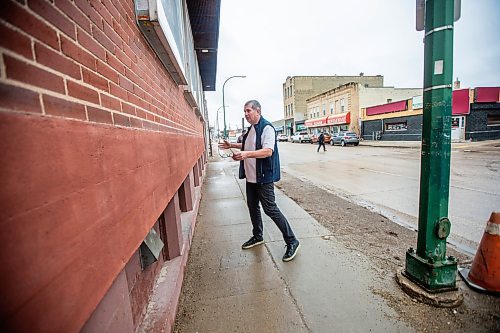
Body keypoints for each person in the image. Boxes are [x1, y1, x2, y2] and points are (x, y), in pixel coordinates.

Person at [218, 100, 300, 262]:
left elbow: (268, 151)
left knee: (270, 209)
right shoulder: (252, 130)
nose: (246, 114)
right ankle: (258, 236)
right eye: (245, 112)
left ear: (258, 111)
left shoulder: (267, 128)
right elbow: (249, 144)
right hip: (251, 178)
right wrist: (232, 145)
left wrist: (246, 155)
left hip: (263, 177)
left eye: (249, 111)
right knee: (253, 207)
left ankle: (292, 241)